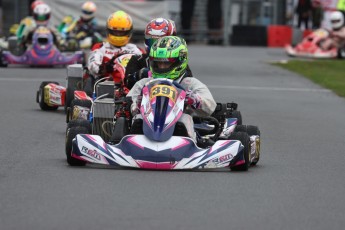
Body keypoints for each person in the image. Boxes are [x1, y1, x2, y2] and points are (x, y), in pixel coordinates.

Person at [127, 36, 216, 140]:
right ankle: (131, 142)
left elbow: (210, 107)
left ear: (180, 61)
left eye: (166, 63)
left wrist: (194, 100)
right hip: (146, 130)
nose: (162, 67)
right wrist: (136, 105)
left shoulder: (189, 83)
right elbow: (128, 102)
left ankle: (189, 145)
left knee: (184, 119)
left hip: (179, 133)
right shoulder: (144, 83)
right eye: (158, 63)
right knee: (138, 119)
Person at [88, 10, 143, 84]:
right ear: (109, 31)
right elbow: (92, 65)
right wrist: (104, 68)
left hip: (131, 85)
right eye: (115, 32)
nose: (118, 35)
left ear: (128, 32)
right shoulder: (101, 48)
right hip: (107, 85)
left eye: (122, 32)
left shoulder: (136, 50)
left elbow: (146, 67)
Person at [124, 17, 178, 89]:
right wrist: (139, 74)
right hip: (144, 98)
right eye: (152, 41)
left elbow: (188, 83)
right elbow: (127, 84)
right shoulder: (137, 60)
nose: (155, 46)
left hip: (173, 97)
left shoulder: (178, 61)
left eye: (160, 41)